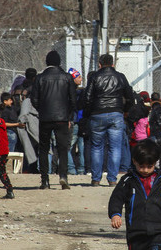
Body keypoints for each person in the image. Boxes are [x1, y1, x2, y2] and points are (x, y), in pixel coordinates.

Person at [82, 54, 134, 187]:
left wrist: (88, 114)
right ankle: (112, 179)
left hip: (97, 114)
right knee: (115, 148)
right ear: (113, 64)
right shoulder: (120, 77)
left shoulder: (94, 77)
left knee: (96, 147)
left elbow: (87, 98)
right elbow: (130, 96)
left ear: (99, 64)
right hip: (116, 113)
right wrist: (125, 110)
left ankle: (96, 179)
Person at [30, 50, 77, 189]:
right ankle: (63, 176)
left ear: (47, 62)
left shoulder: (40, 78)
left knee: (44, 148)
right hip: (62, 118)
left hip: (45, 118)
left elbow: (34, 99)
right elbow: (73, 100)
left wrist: (42, 110)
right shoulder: (67, 77)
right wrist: (68, 115)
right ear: (59, 62)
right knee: (63, 148)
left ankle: (45, 180)